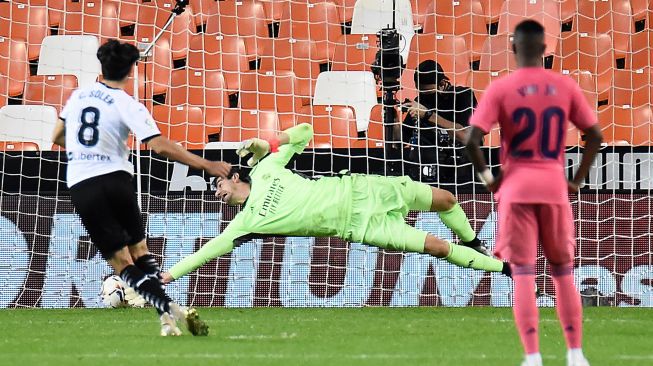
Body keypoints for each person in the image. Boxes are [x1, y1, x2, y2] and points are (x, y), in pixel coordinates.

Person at [160, 122, 513, 285]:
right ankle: (508, 271)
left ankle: (472, 242)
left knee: (446, 199)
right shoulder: (245, 223)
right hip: (359, 226)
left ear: (234, 176)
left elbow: (305, 131)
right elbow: (207, 251)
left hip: (363, 189)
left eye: (216, 182)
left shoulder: (266, 168)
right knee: (436, 247)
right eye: (212, 190)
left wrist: (267, 143)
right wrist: (170, 274)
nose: (216, 191)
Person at [51, 39, 232, 336]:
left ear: (102, 65)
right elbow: (158, 146)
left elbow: (58, 135)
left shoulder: (79, 95)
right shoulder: (127, 104)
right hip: (117, 178)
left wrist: (88, 150)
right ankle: (166, 319)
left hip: (83, 182)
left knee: (122, 263)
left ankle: (172, 310)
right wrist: (207, 164)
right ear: (131, 70)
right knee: (140, 250)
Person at [465, 20, 602, 366]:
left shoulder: (501, 88)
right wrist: (577, 180)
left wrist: (487, 177)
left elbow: (471, 138)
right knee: (562, 270)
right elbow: (595, 135)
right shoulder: (564, 86)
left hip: (516, 188)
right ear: (545, 50)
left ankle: (532, 356)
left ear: (514, 50)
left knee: (524, 272)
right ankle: (575, 353)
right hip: (554, 186)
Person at [398, 60, 477, 187]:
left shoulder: (463, 96)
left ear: (442, 84)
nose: (425, 97)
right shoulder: (421, 101)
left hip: (461, 170)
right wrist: (393, 119)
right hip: (427, 167)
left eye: (429, 93)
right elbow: (399, 141)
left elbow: (465, 135)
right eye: (421, 92)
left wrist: (428, 115)